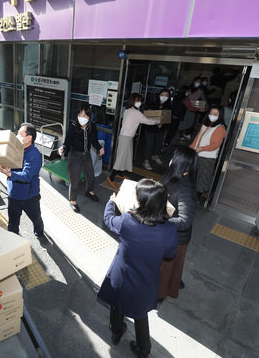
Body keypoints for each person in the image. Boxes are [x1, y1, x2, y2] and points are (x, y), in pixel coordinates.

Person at [98, 179, 177, 357]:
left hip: (122, 276)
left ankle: (117, 331)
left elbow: (108, 220)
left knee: (117, 305)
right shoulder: (169, 230)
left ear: (142, 202)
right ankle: (143, 349)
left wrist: (111, 202)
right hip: (146, 280)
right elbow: (170, 254)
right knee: (140, 314)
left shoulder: (127, 221)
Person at [0, 123, 46, 244]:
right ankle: (13, 244)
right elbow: (9, 167)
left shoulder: (34, 154)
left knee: (36, 219)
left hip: (30, 197)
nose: (17, 136)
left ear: (29, 138)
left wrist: (9, 174)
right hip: (14, 195)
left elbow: (27, 176)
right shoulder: (15, 150)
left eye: (20, 134)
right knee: (12, 224)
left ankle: (40, 233)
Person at [158, 146, 198, 300]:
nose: (171, 159)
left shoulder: (185, 188)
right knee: (171, 268)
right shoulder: (176, 178)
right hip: (170, 233)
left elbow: (185, 220)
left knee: (166, 269)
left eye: (174, 157)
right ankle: (170, 286)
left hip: (177, 238)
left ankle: (158, 295)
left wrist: (160, 219)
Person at [106, 93, 159, 187]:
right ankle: (111, 177)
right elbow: (148, 122)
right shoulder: (136, 113)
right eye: (137, 100)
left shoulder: (127, 110)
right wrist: (159, 121)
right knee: (121, 157)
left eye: (140, 100)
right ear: (132, 101)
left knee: (126, 155)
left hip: (125, 136)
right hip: (126, 137)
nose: (139, 102)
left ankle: (121, 173)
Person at [59, 105, 105, 213]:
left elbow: (94, 140)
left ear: (89, 117)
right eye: (79, 115)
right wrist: (63, 148)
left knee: (90, 175)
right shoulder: (73, 126)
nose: (81, 117)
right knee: (74, 180)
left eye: (84, 115)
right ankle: (73, 201)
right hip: (75, 156)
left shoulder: (92, 126)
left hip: (87, 155)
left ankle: (89, 191)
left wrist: (99, 149)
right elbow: (67, 142)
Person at [190, 105, 227, 199]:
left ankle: (196, 198)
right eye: (211, 113)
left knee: (202, 179)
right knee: (194, 176)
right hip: (197, 154)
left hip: (207, 157)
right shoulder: (206, 124)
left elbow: (215, 144)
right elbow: (197, 137)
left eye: (215, 113)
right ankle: (190, 196)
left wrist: (201, 148)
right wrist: (191, 148)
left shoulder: (220, 128)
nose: (212, 115)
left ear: (220, 115)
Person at [142, 89, 170, 171]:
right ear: (159, 95)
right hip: (150, 128)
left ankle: (155, 155)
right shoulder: (152, 104)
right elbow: (146, 114)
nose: (164, 97)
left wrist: (162, 122)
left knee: (159, 143)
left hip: (161, 129)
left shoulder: (169, 106)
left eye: (166, 95)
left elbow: (168, 118)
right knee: (149, 144)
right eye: (162, 95)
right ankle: (146, 161)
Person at [179, 77, 207, 141]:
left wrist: (196, 104)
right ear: (193, 81)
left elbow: (204, 101)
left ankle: (187, 133)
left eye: (199, 82)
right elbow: (182, 97)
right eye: (197, 81)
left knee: (191, 122)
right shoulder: (188, 89)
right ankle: (181, 134)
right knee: (182, 122)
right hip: (185, 109)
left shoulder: (200, 91)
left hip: (194, 109)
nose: (198, 83)